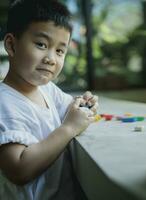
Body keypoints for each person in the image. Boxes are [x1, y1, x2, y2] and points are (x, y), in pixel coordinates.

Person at [0, 0, 98, 199]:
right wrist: (69, 128)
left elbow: (70, 108)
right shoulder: (4, 102)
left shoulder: (47, 89)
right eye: (41, 44)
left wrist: (84, 103)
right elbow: (19, 169)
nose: (51, 58)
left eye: (60, 50)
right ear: (11, 45)